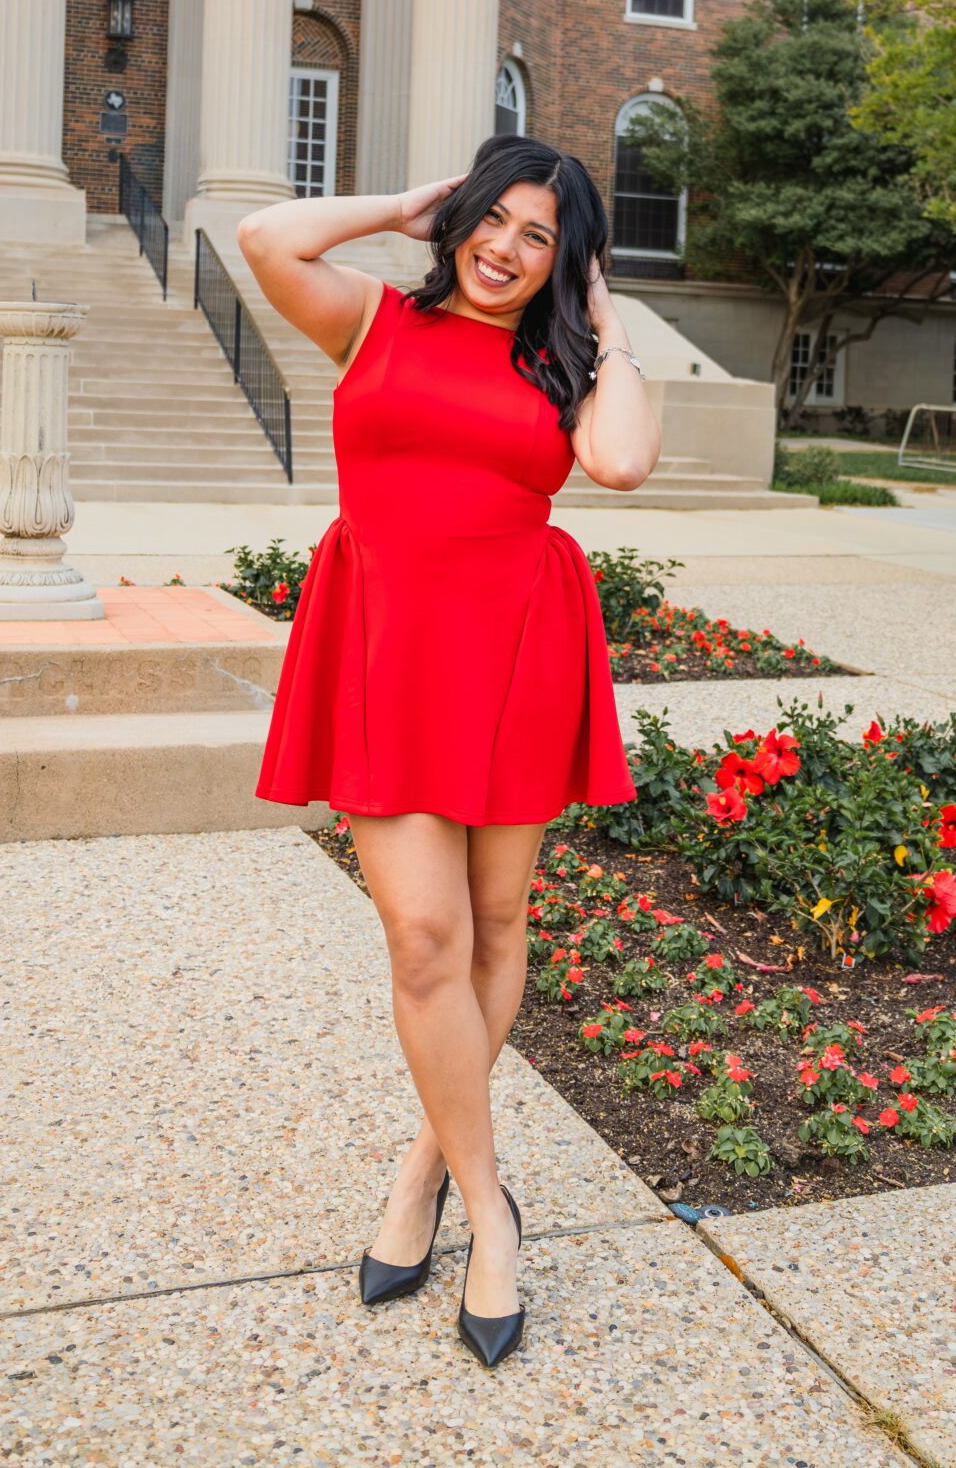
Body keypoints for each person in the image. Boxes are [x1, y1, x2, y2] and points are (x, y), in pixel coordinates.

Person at [236, 134, 661, 1366]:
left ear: (564, 262)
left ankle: (425, 1163)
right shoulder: (370, 320)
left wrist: (604, 319)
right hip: (386, 641)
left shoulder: (564, 360)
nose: (507, 249)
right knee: (424, 935)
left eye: (540, 236)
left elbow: (622, 461)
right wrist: (413, 206)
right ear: (459, 219)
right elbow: (268, 237)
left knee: (494, 919)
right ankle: (490, 1214)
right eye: (494, 221)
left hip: (515, 646)